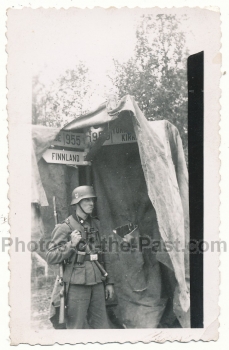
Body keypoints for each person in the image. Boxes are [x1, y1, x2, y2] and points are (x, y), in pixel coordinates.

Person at [46, 186, 114, 329]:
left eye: (92, 200)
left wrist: (109, 282)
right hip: (77, 284)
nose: (91, 203)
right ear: (77, 203)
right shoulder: (64, 227)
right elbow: (50, 256)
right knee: (76, 327)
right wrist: (71, 244)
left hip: (97, 281)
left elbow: (104, 254)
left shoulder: (96, 224)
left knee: (102, 326)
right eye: (86, 200)